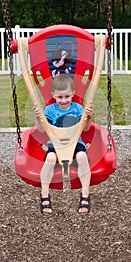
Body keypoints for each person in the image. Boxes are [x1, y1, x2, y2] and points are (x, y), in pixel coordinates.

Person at [34, 74, 93, 216]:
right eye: (60, 97)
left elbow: (85, 129)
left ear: (73, 93)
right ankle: (44, 194)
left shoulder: (78, 109)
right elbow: (42, 130)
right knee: (50, 159)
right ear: (53, 95)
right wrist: (38, 117)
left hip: (75, 144)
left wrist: (89, 117)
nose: (64, 100)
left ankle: (85, 195)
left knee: (82, 157)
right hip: (55, 144)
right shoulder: (50, 110)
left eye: (67, 96)